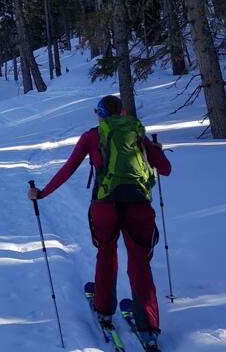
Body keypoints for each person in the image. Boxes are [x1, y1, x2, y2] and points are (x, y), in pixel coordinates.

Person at [28, 95, 171, 349]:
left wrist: (42, 193)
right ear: (122, 112)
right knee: (140, 261)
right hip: (139, 205)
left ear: (101, 114)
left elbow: (68, 169)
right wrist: (155, 150)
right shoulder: (137, 134)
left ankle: (104, 309)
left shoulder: (92, 136)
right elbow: (165, 169)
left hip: (105, 206)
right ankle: (148, 327)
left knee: (106, 254)